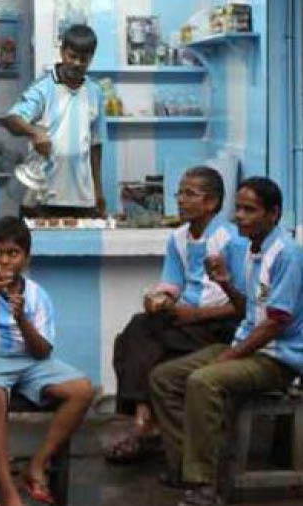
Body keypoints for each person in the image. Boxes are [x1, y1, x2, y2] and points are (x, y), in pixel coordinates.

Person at [150, 177, 303, 506]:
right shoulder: (247, 249)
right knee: (164, 378)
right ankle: (185, 469)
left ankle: (205, 485)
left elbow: (275, 323)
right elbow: (245, 308)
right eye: (239, 209)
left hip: (277, 358)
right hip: (248, 345)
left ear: (273, 213)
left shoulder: (287, 254)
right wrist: (225, 282)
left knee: (204, 381)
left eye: (250, 210)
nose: (240, 217)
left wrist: (230, 356)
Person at [0, 217, 94, 506]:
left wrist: (21, 318)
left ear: (25, 256)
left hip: (27, 362)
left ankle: (36, 465)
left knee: (82, 390)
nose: (5, 261)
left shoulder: (37, 294)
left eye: (13, 253)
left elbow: (41, 352)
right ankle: (6, 490)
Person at [106, 167, 246, 464]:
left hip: (218, 323)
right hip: (185, 319)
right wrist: (159, 298)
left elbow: (243, 304)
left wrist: (194, 315)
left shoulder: (231, 240)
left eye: (190, 194)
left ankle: (143, 427)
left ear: (211, 203)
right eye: (179, 193)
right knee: (137, 331)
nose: (181, 200)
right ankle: (145, 424)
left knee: (137, 337)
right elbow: (172, 283)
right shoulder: (178, 238)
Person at [3, 24, 105, 218]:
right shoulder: (42, 88)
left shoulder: (95, 92)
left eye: (83, 59)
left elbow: (95, 145)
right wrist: (34, 132)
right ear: (62, 52)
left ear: (91, 59)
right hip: (42, 198)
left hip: (83, 199)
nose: (76, 63)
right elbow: (11, 119)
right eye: (72, 56)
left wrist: (98, 191)